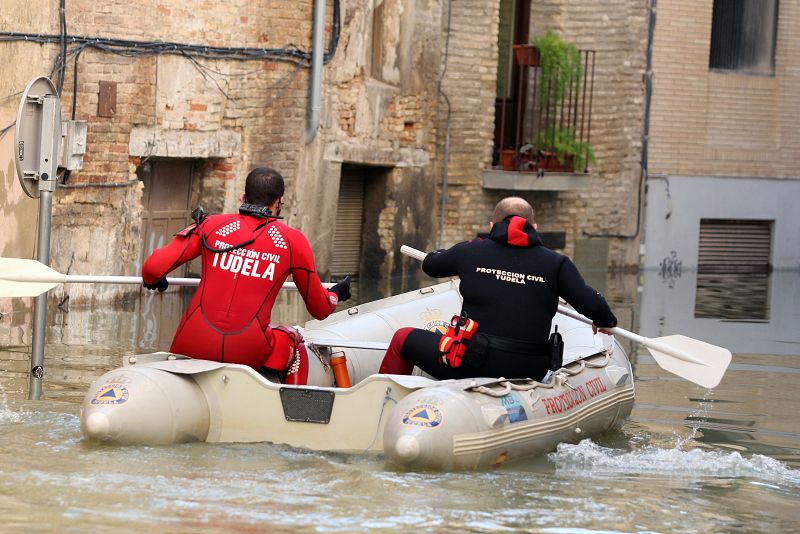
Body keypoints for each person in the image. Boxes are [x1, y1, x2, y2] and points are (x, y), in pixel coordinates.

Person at [142, 167, 351, 384]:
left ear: (243, 197)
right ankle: (287, 410)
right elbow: (320, 309)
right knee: (295, 340)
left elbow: (151, 268)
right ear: (281, 202)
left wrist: (155, 280)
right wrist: (335, 293)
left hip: (190, 343)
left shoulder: (211, 225)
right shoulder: (293, 241)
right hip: (247, 352)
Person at [379, 196, 617, 381]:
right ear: (533, 226)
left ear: (493, 225)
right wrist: (604, 320)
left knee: (403, 338)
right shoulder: (556, 263)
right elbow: (594, 304)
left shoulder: (471, 251)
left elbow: (431, 265)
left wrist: (450, 256)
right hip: (530, 369)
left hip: (472, 363)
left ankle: (381, 407)